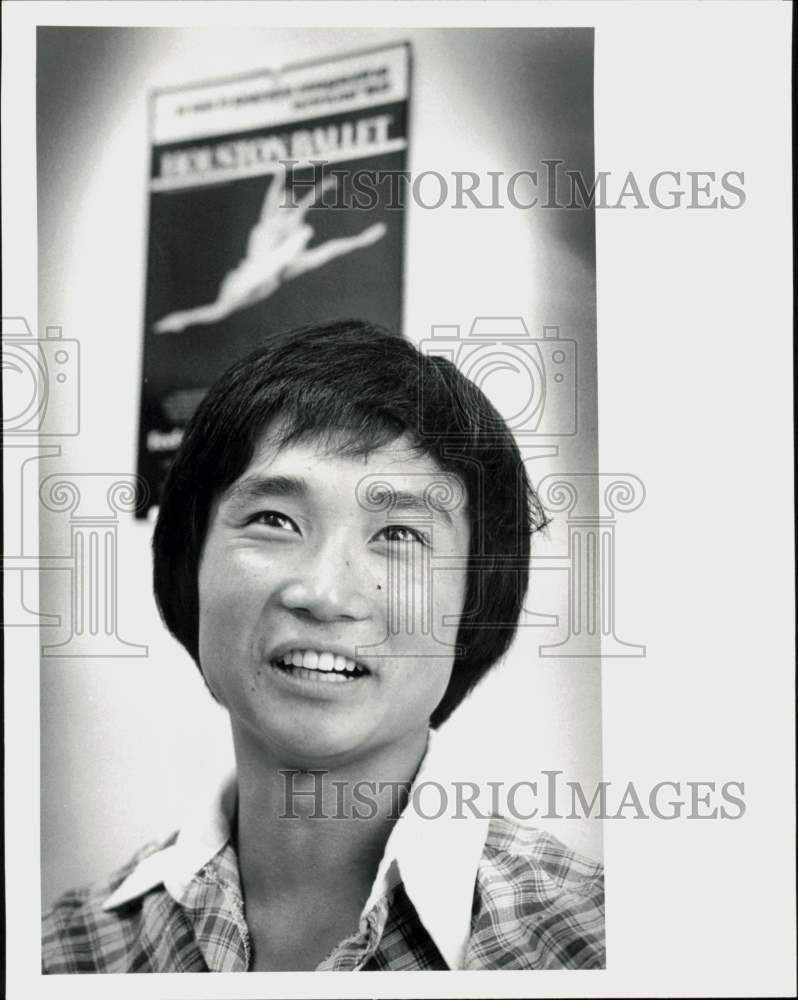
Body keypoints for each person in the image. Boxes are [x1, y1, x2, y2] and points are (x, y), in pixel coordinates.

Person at [42, 319, 605, 972]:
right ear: (188, 566)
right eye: (273, 520)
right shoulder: (68, 955)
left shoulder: (592, 943)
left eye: (400, 534)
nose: (324, 592)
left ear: (473, 605)